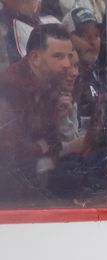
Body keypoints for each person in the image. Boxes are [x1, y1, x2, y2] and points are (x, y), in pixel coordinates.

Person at [0, 23, 74, 208]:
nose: (67, 64)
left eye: (69, 56)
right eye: (58, 56)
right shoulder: (9, 89)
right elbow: (14, 156)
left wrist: (43, 147)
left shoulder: (52, 84)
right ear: (35, 58)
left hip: (37, 181)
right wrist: (43, 147)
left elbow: (52, 144)